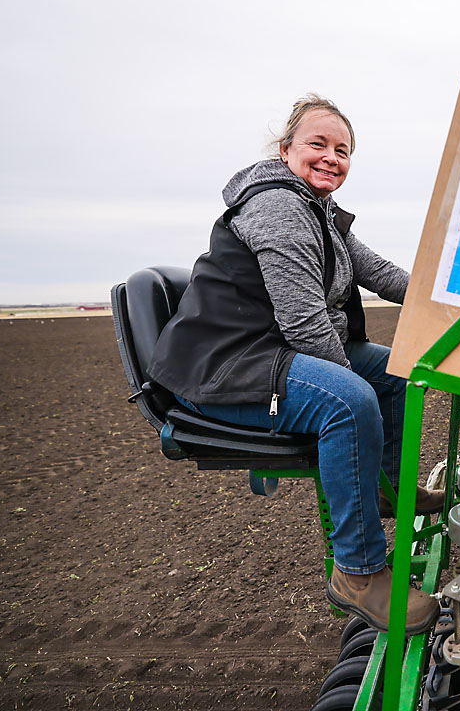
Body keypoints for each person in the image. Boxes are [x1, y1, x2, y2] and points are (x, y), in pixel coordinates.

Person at [148, 94, 442, 634]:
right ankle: (358, 571)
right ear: (286, 151)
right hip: (228, 362)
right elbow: (306, 322)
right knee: (351, 403)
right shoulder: (278, 208)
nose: (332, 157)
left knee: (399, 372)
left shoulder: (320, 211)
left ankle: (387, 490)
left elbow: (381, 273)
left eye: (343, 150)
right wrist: (351, 394)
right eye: (318, 144)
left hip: (269, 348)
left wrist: (448, 299)